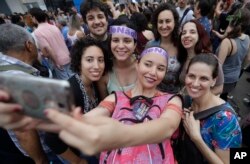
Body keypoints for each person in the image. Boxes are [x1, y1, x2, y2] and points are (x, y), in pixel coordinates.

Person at [44, 46, 183, 163]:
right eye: (148, 64)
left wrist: (122, 134)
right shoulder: (116, 98)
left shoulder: (172, 100)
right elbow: (92, 117)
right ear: (137, 64)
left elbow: (168, 126)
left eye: (160, 68)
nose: (153, 72)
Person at [0, 23, 60, 163]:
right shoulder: (19, 80)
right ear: (29, 45)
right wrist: (41, 161)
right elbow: (23, 131)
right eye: (36, 45)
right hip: (45, 151)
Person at [45, 37, 105, 164]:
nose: (97, 66)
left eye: (101, 60)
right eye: (89, 60)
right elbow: (51, 138)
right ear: (79, 62)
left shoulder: (94, 83)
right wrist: (77, 161)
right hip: (73, 153)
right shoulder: (68, 92)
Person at [183, 53, 242, 163]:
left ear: (213, 81)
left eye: (203, 78)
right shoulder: (188, 101)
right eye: (191, 76)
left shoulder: (226, 119)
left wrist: (196, 138)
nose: (195, 84)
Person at [178, 20, 224, 95]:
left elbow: (219, 88)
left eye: (192, 32)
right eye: (184, 33)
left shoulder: (210, 60)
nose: (186, 35)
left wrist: (196, 99)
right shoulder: (183, 56)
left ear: (200, 35)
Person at [97, 17, 138, 99]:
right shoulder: (104, 73)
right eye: (115, 40)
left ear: (135, 45)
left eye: (127, 41)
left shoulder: (144, 66)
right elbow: (105, 107)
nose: (121, 46)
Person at [215, 7, 250, 101]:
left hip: (221, 81)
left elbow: (218, 66)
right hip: (233, 80)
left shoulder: (227, 42)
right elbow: (247, 60)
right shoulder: (247, 38)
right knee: (222, 98)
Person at [29, 7, 73, 80]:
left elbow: (48, 49)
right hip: (67, 56)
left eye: (31, 17)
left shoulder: (38, 32)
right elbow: (62, 41)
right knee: (74, 79)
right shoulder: (54, 27)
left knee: (66, 83)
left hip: (57, 60)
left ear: (34, 17)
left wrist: (56, 62)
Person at [147, 3, 182, 94]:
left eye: (168, 21)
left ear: (175, 22)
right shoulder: (150, 45)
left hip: (177, 96)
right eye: (160, 22)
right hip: (153, 95)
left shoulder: (182, 45)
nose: (164, 26)